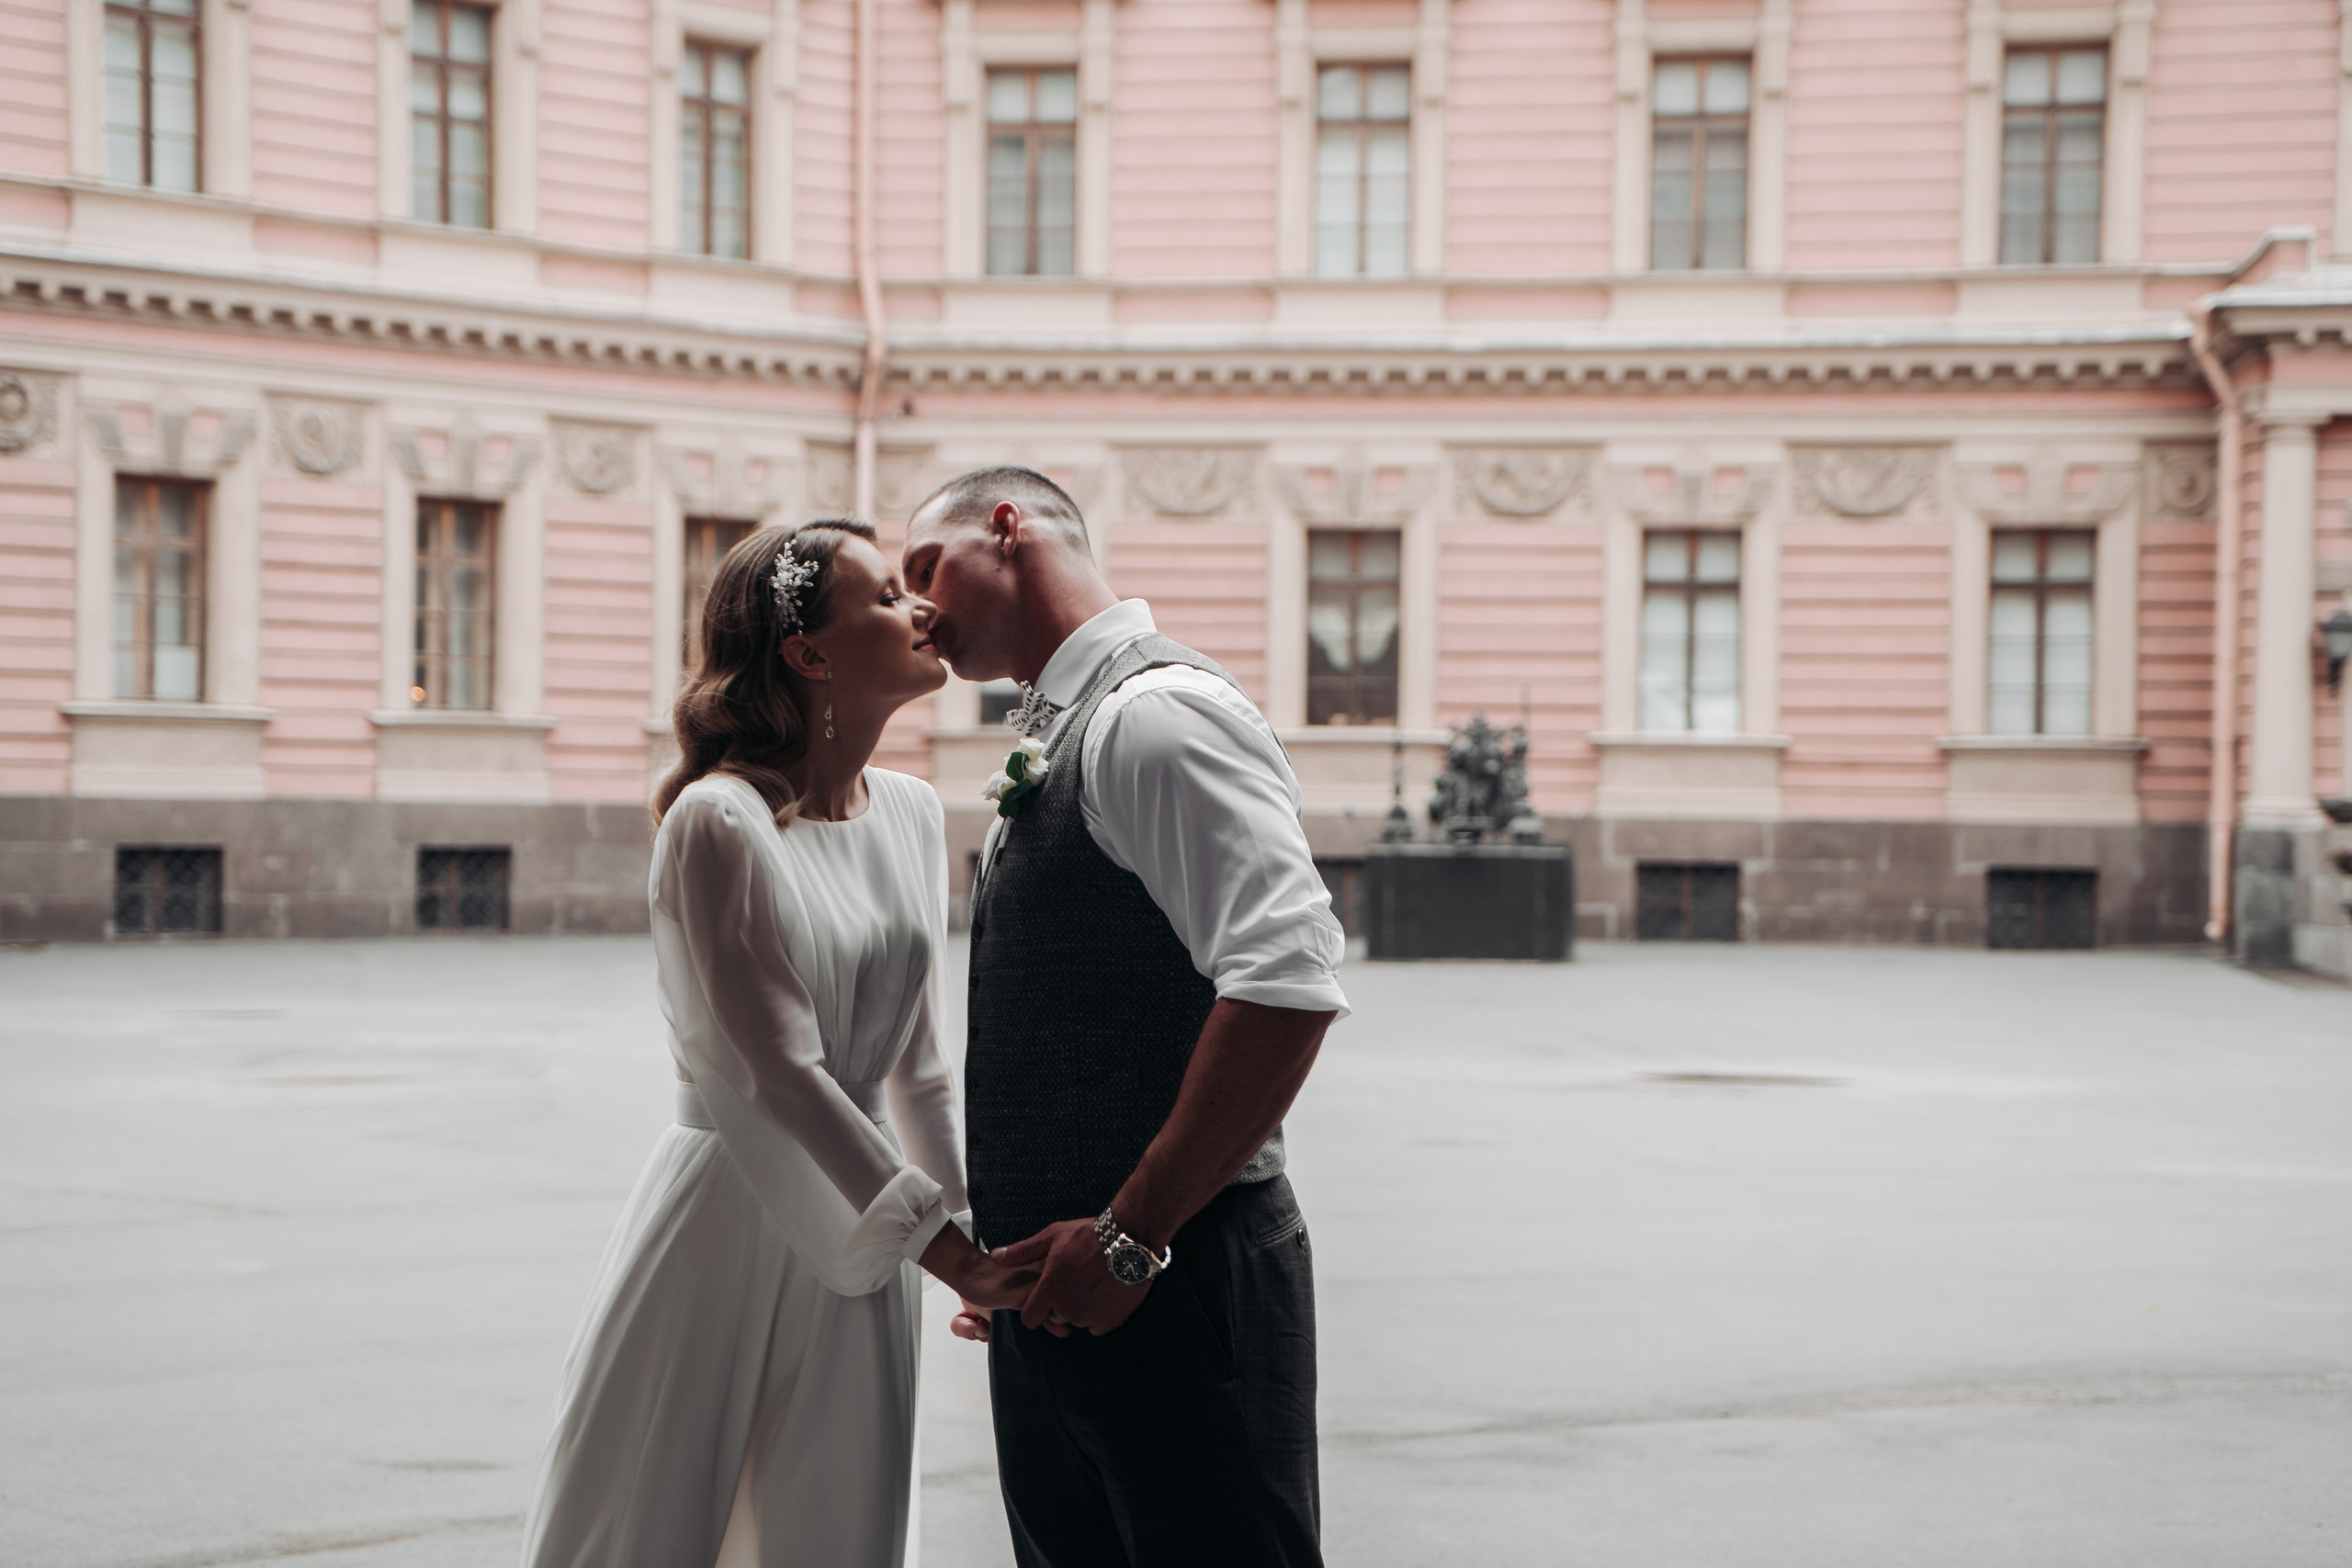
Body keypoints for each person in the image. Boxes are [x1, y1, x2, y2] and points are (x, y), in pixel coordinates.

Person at [520, 518, 1035, 1568]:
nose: (921, 610)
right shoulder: (718, 822)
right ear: (807, 654)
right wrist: (945, 1257)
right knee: (652, 1519)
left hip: (868, 1226)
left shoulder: (909, 810)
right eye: (888, 598)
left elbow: (921, 1066)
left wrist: (970, 1237)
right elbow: (779, 1074)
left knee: (837, 1523)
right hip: (730, 1214)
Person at [902, 468, 1349, 1568]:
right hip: (1067, 1293)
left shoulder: (1155, 716)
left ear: (1007, 530)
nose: (914, 607)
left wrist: (1128, 1236)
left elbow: (1286, 976)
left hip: (1176, 1278)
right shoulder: (1059, 725)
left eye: (925, 567)